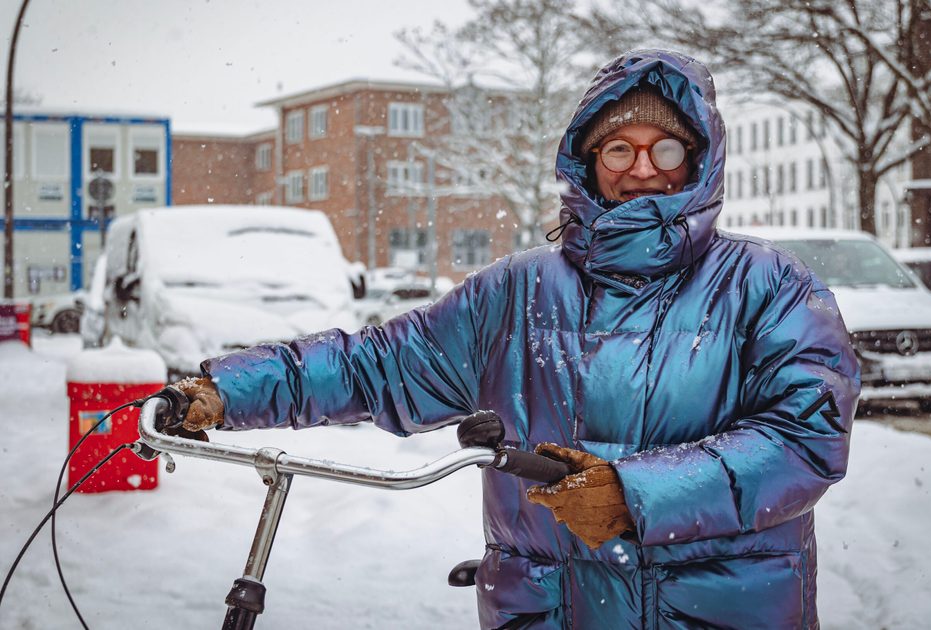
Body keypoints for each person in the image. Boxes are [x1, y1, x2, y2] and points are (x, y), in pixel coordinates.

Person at [175, 49, 860, 629]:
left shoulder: (769, 284)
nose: (642, 168)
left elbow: (803, 440)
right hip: (551, 608)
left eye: (667, 147)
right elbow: (377, 365)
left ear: (700, 158)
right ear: (588, 161)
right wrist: (229, 390)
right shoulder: (517, 292)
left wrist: (636, 494)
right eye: (619, 148)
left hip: (717, 610)